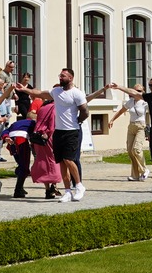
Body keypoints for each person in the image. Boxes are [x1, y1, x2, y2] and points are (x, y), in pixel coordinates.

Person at [47, 68, 111, 202]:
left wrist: (79, 120)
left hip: (73, 130)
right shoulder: (57, 93)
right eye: (60, 76)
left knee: (71, 159)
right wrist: (25, 90)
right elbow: (41, 93)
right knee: (63, 161)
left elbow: (87, 103)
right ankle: (68, 191)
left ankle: (79, 185)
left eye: (63, 76)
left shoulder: (77, 94)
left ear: (70, 78)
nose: (60, 78)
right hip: (60, 131)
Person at [107, 91, 149, 181]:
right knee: (130, 151)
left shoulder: (145, 102)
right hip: (131, 126)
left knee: (136, 149)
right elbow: (121, 111)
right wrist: (112, 120)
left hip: (141, 126)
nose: (136, 92)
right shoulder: (130, 101)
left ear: (143, 92)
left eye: (139, 90)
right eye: (135, 90)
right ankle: (135, 175)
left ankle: (144, 170)